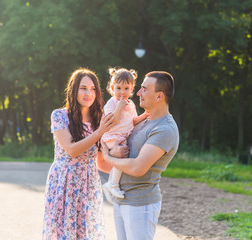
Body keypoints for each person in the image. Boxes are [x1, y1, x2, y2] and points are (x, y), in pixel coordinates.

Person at [98, 71, 179, 240]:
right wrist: (110, 151)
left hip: (140, 204)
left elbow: (137, 168)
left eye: (143, 88)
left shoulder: (164, 129)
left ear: (159, 96)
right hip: (122, 200)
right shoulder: (144, 122)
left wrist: (108, 156)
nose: (139, 92)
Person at [42, 68, 115, 240]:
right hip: (64, 182)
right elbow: (72, 150)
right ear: (74, 90)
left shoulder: (99, 119)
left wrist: (127, 171)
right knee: (63, 232)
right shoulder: (59, 116)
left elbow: (102, 162)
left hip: (89, 184)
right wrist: (98, 133)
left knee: (86, 233)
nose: (88, 93)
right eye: (83, 88)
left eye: (93, 89)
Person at [101, 67, 149, 201]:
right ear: (112, 87)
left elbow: (133, 121)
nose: (122, 92)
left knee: (125, 156)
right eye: (118, 88)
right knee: (121, 156)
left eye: (126, 88)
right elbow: (112, 120)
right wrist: (120, 106)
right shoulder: (111, 103)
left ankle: (113, 183)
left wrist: (145, 115)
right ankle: (112, 184)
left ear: (132, 88)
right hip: (113, 136)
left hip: (123, 136)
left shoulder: (131, 104)